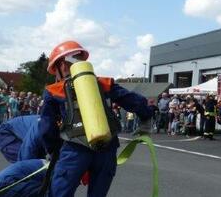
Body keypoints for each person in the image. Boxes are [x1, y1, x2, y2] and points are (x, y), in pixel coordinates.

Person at [37, 40, 154, 197]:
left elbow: (46, 127)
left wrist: (52, 151)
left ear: (62, 65)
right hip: (107, 148)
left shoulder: (53, 90)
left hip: (74, 149)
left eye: (55, 70)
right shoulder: (105, 83)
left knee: (60, 193)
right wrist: (147, 116)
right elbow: (134, 101)